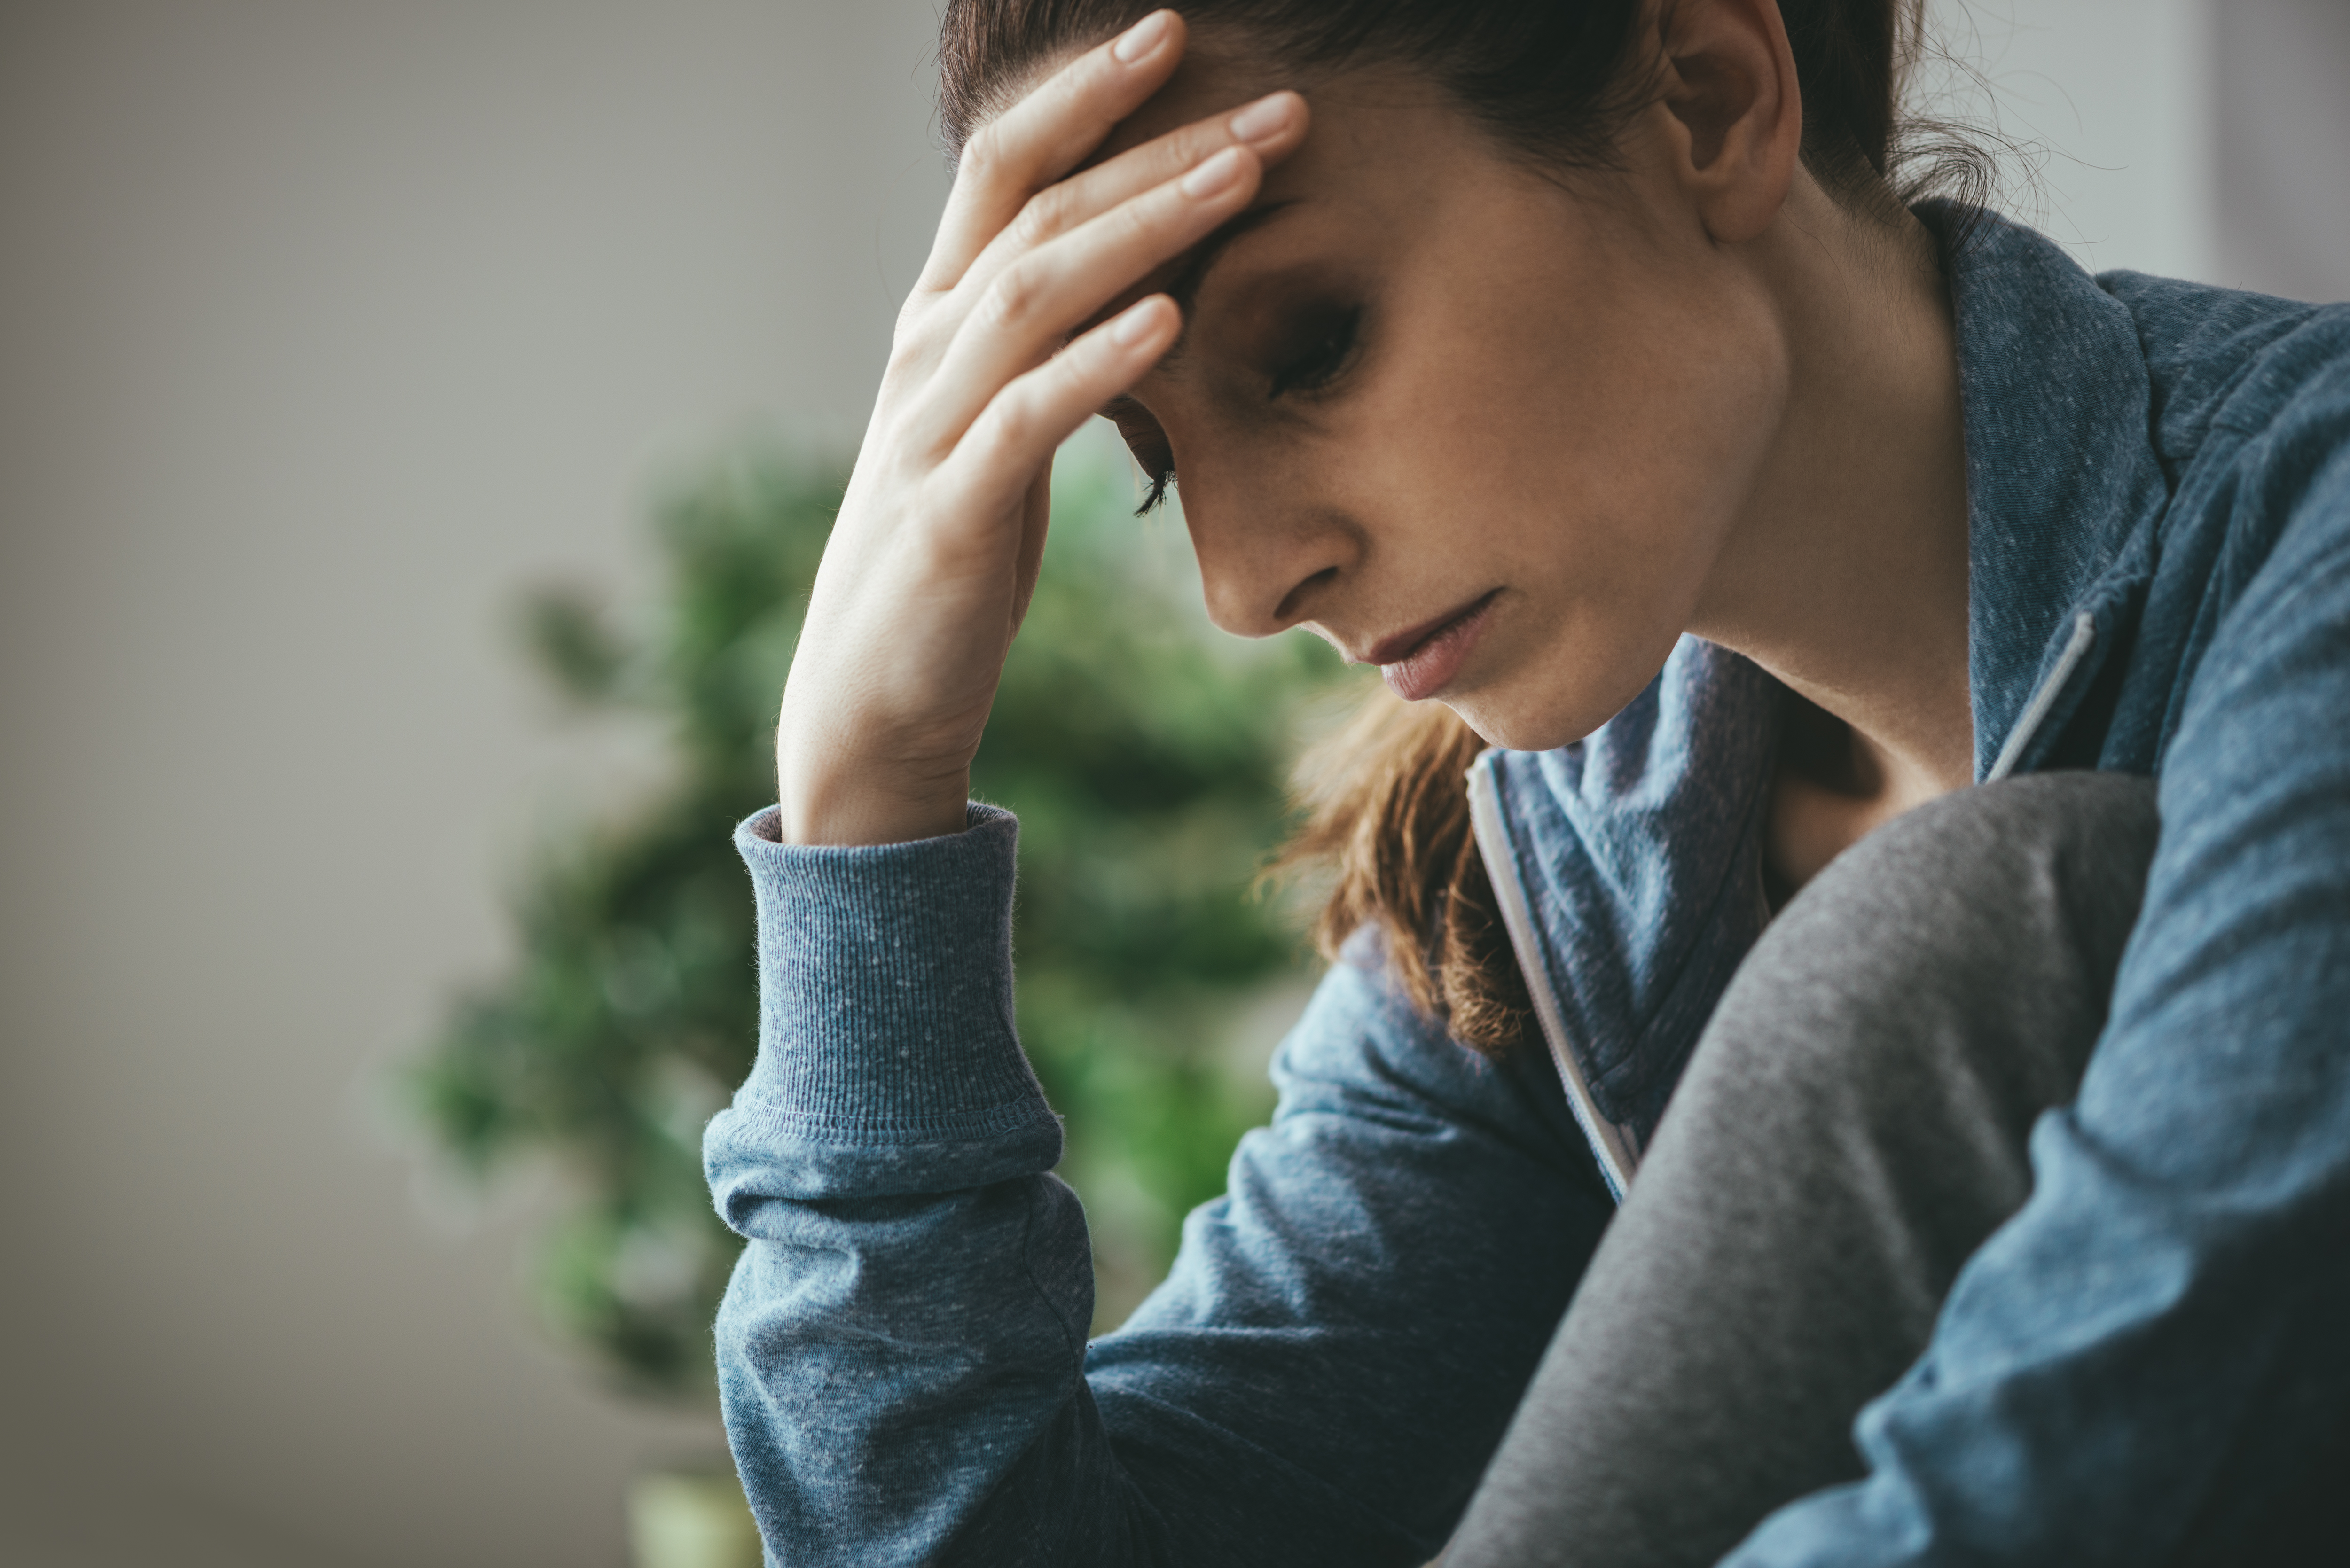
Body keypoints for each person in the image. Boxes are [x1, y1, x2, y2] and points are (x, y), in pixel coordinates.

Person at [700, 0, 2350, 1562]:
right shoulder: (1551, 871)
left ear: (1708, 96)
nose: (1244, 583)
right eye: (1154, 463)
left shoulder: (2310, 532)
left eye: (1313, 346)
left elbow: (2125, 1437)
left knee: (1968, 918)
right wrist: (869, 801)